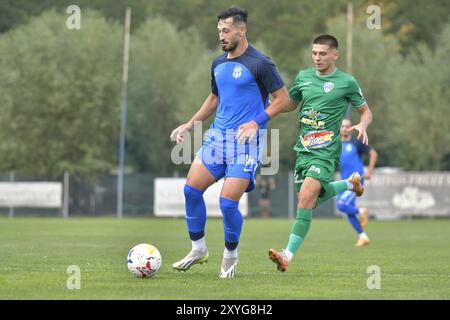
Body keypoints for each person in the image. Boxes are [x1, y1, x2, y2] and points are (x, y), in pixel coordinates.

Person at [169, 7, 291, 278]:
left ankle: (230, 256)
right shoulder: (218, 63)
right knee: (190, 191)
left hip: (246, 143)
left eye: (226, 31)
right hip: (217, 138)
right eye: (219, 31)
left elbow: (285, 101)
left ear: (241, 30)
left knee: (227, 204)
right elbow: (214, 98)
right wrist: (190, 124)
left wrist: (256, 121)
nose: (221, 35)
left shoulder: (261, 63)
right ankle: (198, 249)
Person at [268, 34, 373, 272]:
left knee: (306, 197)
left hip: (326, 152)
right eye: (314, 53)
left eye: (323, 53)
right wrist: (264, 110)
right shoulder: (303, 77)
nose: (317, 57)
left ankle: (287, 255)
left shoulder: (346, 82)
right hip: (303, 150)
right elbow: (290, 104)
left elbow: (366, 112)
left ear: (335, 54)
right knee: (309, 202)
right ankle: (349, 184)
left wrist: (362, 124)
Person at [337, 118, 378, 246]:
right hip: (344, 182)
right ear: (340, 128)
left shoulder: (356, 143)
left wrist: (369, 172)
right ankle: (363, 236)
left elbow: (373, 154)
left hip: (355, 182)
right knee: (348, 211)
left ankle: (361, 212)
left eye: (347, 126)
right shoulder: (336, 144)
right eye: (343, 126)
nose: (345, 128)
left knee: (341, 205)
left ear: (351, 128)